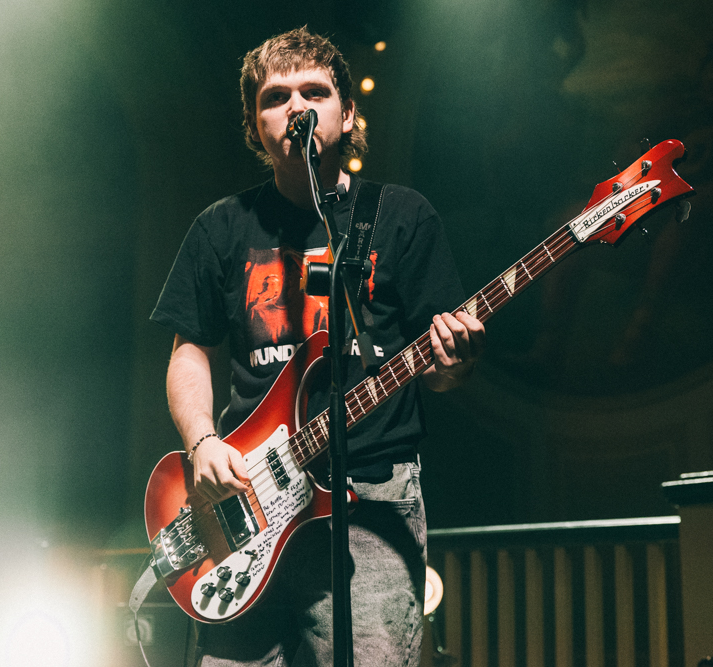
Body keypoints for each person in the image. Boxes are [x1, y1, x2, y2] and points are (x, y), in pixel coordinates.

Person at [150, 26, 485, 667]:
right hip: (252, 500)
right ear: (255, 122)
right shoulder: (220, 228)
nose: (297, 107)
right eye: (276, 97)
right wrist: (201, 443)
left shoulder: (401, 216)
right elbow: (189, 349)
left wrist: (455, 360)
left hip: (371, 497)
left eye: (315, 91)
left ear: (347, 112)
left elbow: (439, 376)